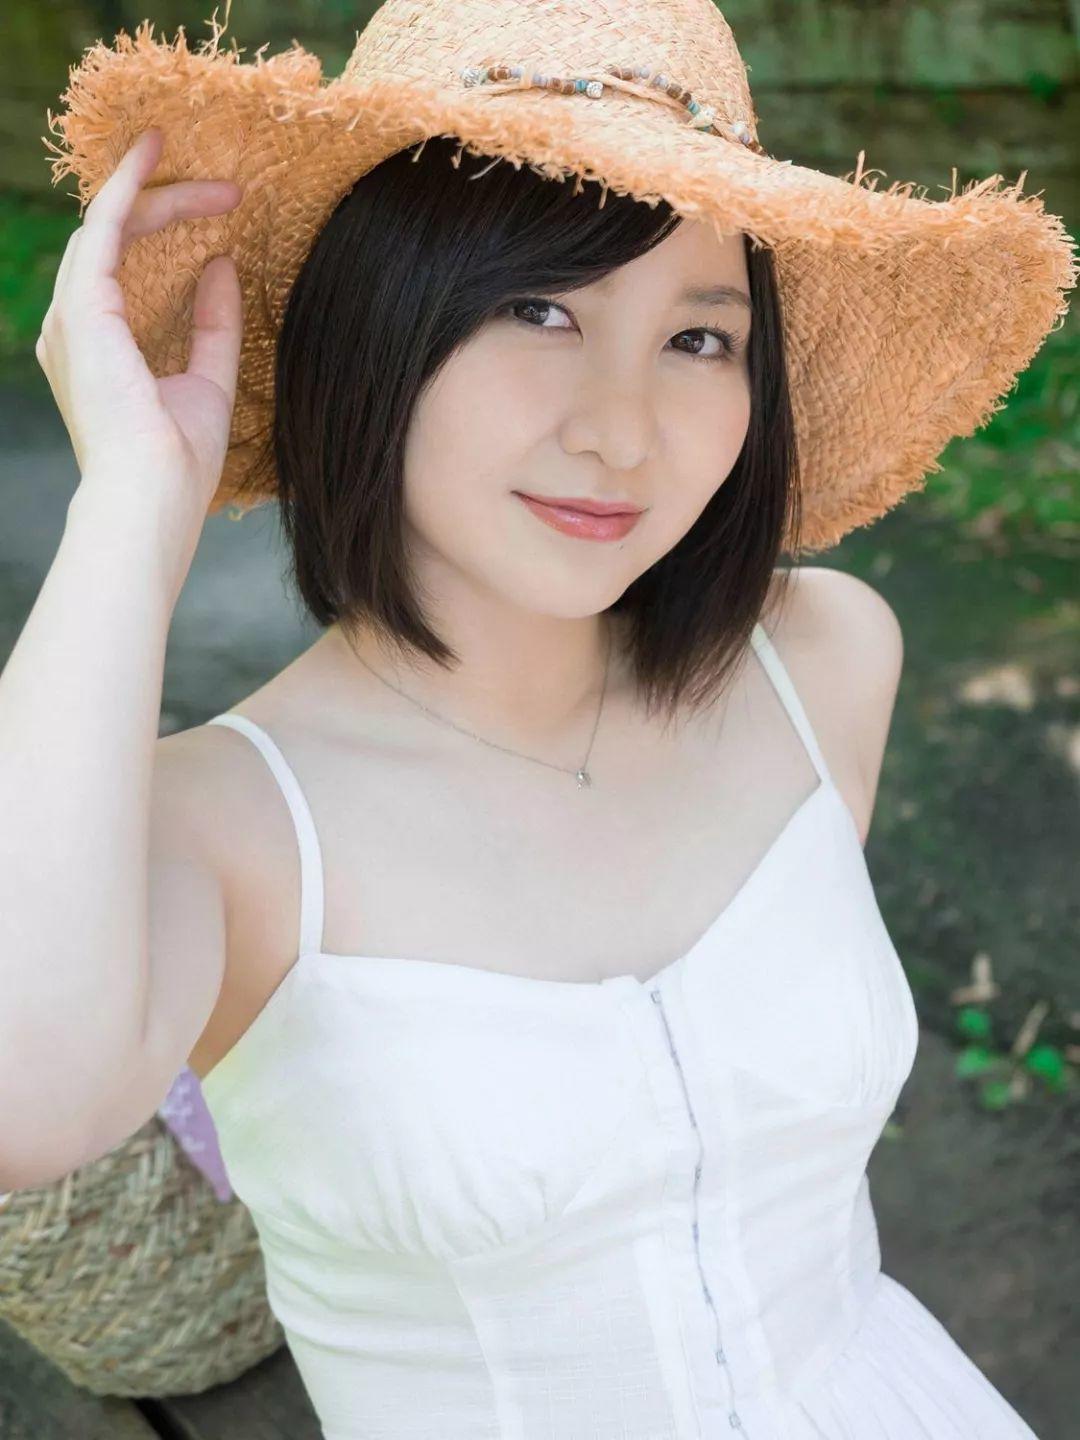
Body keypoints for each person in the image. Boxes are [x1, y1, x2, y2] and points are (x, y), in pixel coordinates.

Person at [2, 1, 1073, 1435]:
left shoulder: (821, 661)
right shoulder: (227, 824)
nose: (619, 430)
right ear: (376, 323)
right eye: (540, 308)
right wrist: (133, 504)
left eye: (700, 336)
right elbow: (22, 1102)